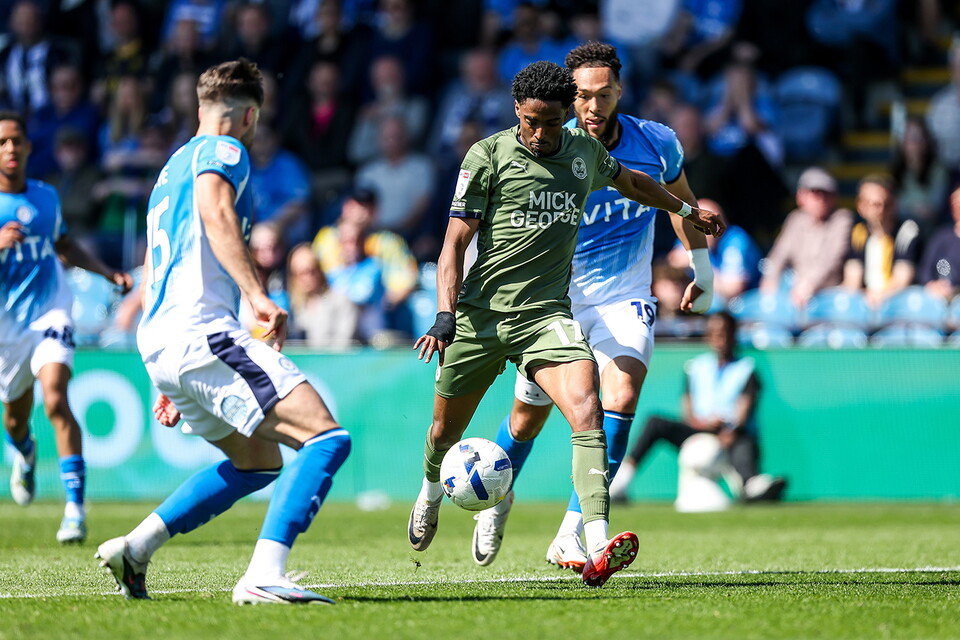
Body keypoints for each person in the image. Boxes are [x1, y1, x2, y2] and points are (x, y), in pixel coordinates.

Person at [407, 59, 724, 588]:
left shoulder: (591, 151)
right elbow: (454, 242)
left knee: (594, 408)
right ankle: (437, 492)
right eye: (533, 121)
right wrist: (445, 315)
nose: (543, 133)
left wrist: (688, 214)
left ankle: (589, 538)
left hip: (560, 313)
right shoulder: (486, 155)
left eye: (551, 122)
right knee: (461, 429)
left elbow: (637, 183)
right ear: (519, 111)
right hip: (487, 313)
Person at [94, 59, 351, 606]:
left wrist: (170, 375)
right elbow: (215, 212)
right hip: (200, 331)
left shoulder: (169, 171)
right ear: (249, 114)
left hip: (165, 338)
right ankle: (263, 574)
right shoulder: (224, 149)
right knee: (326, 439)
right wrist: (258, 295)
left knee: (257, 462)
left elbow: (165, 263)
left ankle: (135, 548)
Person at [0, 110, 132, 544]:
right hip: (6, 328)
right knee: (15, 421)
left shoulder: (45, 197)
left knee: (56, 398)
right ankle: (24, 452)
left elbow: (64, 244)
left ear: (29, 145)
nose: (11, 149)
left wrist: (105, 272)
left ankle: (75, 509)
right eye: (2, 142)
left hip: (51, 310)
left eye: (17, 140)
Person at [608, 311, 786, 504]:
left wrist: (728, 433)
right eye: (715, 333)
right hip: (699, 429)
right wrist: (704, 425)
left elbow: (743, 413)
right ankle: (621, 481)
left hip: (732, 432)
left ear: (734, 334)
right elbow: (688, 411)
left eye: (725, 333)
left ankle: (750, 483)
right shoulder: (695, 367)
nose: (721, 338)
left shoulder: (747, 368)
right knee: (655, 423)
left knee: (744, 441)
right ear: (708, 336)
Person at [760, 167, 853, 309]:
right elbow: (778, 255)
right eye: (815, 193)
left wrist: (809, 285)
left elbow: (831, 260)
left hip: (829, 293)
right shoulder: (795, 219)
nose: (821, 199)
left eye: (826, 194)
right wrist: (770, 280)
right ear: (800, 196)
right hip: (797, 291)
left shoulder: (841, 219)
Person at [843, 174, 920, 307]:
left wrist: (879, 296)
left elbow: (902, 279)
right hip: (865, 301)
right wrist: (864, 297)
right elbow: (852, 278)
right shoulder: (858, 232)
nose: (878, 209)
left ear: (893, 204)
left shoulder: (907, 231)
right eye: (870, 203)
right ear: (860, 206)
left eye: (882, 203)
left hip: (896, 304)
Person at [919, 186, 960, 301]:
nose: (957, 207)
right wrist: (932, 285)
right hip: (939, 299)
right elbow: (924, 271)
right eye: (955, 203)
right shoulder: (940, 236)